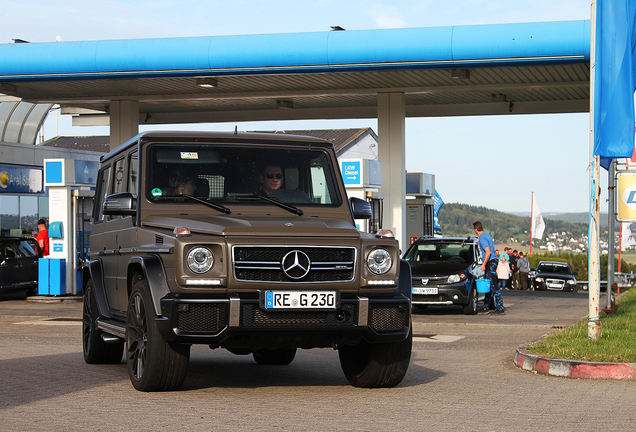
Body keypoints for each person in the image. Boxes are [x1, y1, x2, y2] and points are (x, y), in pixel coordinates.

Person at [473, 221, 505, 315]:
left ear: (475, 229)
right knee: (489, 285)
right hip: (493, 261)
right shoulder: (486, 236)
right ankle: (486, 306)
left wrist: (483, 264)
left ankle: (500, 307)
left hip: (490, 262)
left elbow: (488, 252)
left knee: (494, 285)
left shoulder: (482, 238)